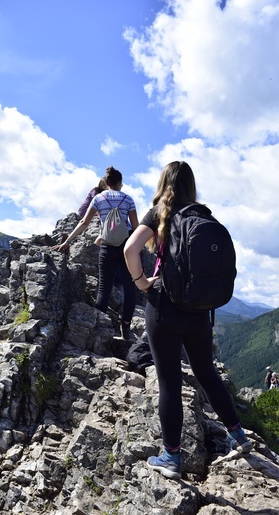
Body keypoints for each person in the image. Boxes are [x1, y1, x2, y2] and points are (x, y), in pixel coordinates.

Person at [124, 160, 253, 480]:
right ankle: (238, 435)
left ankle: (170, 456)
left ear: (163, 183)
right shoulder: (203, 216)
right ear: (190, 186)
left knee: (168, 382)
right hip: (199, 312)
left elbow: (130, 249)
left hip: (165, 308)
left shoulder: (160, 212)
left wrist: (141, 282)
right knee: (207, 372)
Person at [53, 166, 139, 340]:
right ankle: (126, 329)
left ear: (106, 183)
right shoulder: (128, 199)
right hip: (126, 245)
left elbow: (84, 222)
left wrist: (68, 241)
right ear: (120, 183)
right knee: (131, 288)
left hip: (107, 244)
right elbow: (136, 227)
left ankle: (99, 326)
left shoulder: (99, 199)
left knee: (104, 288)